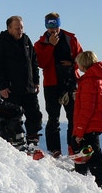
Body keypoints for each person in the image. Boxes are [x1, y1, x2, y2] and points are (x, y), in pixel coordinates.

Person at [0, 16, 43, 151]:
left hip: (29, 87)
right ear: (9, 28)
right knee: (13, 117)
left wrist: (36, 81)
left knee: (34, 115)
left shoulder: (26, 40)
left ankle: (33, 143)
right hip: (11, 89)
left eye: (21, 28)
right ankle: (16, 144)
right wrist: (2, 86)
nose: (20, 31)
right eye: (17, 28)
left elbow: (34, 62)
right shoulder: (0, 42)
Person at [33, 13, 82, 157]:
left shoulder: (71, 38)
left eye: (54, 25)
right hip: (51, 84)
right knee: (53, 118)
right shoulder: (40, 43)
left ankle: (73, 148)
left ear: (59, 24)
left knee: (73, 117)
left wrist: (72, 64)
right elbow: (41, 63)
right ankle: (55, 150)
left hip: (70, 82)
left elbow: (81, 58)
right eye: (49, 26)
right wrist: (51, 46)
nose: (52, 29)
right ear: (46, 26)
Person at [68, 49, 102, 190]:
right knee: (83, 150)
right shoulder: (100, 77)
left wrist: (79, 132)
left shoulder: (89, 81)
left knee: (94, 156)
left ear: (83, 65)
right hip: (100, 121)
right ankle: (81, 175)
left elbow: (86, 110)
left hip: (91, 124)